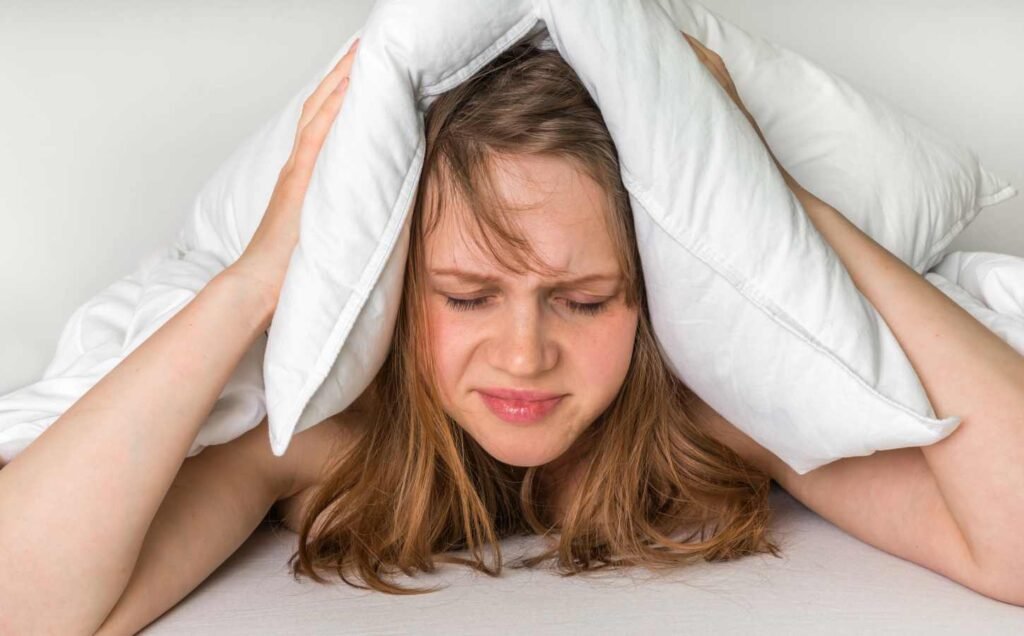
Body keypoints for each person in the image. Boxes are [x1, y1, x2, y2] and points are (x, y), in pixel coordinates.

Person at [2, 31, 1022, 635]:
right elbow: (24, 605)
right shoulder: (326, 438)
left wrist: (788, 220)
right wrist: (257, 278)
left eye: (583, 300)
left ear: (652, 296)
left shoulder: (713, 423)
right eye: (466, 294)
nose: (525, 353)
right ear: (402, 295)